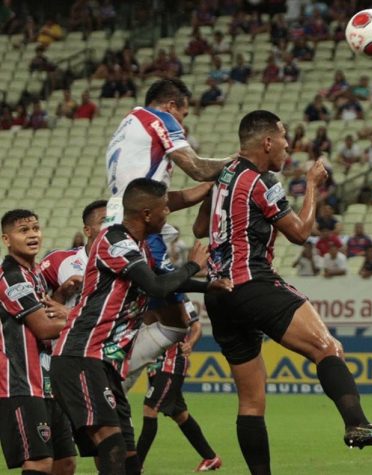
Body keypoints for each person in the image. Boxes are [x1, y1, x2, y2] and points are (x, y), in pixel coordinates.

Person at [197, 111, 372, 473]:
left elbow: (202, 226)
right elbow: (300, 232)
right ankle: (356, 423)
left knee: (251, 401)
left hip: (218, 293)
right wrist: (312, 184)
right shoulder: (261, 180)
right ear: (266, 142)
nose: (287, 145)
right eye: (282, 138)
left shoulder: (225, 174)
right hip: (251, 281)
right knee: (327, 347)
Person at [50, 179, 232, 475]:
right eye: (164, 210)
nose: (166, 215)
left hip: (104, 363)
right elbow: (157, 286)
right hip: (80, 356)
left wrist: (207, 285)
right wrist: (193, 265)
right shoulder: (114, 241)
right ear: (147, 213)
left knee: (128, 454)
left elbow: (166, 279)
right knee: (111, 445)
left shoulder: (139, 249)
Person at [104, 78, 233, 391]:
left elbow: (165, 199)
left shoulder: (128, 126)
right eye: (184, 116)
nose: (182, 124)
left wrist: (204, 191)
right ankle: (108, 381)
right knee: (176, 324)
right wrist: (242, 161)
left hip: (123, 223)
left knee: (138, 319)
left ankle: (109, 383)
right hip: (141, 231)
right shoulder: (158, 119)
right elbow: (199, 167)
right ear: (171, 106)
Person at [0, 209, 76, 475]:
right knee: (38, 462)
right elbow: (44, 328)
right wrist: (82, 317)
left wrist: (62, 295)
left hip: (46, 384)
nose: (33, 234)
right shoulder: (12, 277)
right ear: (6, 239)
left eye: (35, 228)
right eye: (23, 230)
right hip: (19, 384)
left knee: (65, 462)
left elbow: (47, 313)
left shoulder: (36, 276)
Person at [136, 322, 222, 471]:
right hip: (156, 367)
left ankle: (135, 465)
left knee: (150, 408)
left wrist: (190, 343)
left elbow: (197, 327)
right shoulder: (146, 304)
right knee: (180, 414)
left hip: (170, 365)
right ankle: (210, 458)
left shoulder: (178, 301)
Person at [40, 200, 107, 308]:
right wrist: (59, 294)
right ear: (87, 230)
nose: (112, 227)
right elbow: (35, 310)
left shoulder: (133, 261)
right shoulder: (57, 261)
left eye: (116, 221)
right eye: (105, 221)